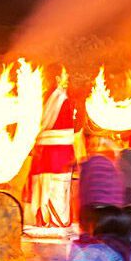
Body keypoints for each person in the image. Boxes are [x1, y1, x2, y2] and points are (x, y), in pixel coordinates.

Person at [27, 70, 80, 227]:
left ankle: (45, 222)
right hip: (58, 156)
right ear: (57, 78)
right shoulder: (61, 99)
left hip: (45, 155)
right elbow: (74, 128)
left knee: (48, 190)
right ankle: (54, 224)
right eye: (64, 74)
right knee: (56, 192)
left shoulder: (42, 98)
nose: (67, 78)